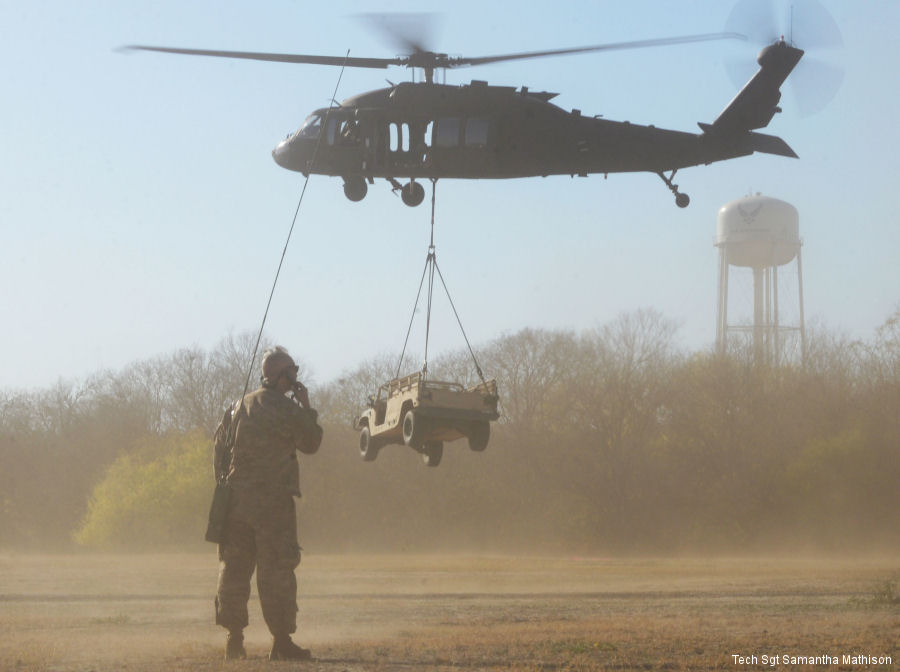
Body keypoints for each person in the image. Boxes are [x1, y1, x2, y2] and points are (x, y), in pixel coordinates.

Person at [213, 346, 323, 661]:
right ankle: (281, 641)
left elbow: (219, 450)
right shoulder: (287, 410)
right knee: (277, 570)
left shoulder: (236, 407)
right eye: (294, 371)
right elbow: (312, 442)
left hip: (236, 503)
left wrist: (226, 489)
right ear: (282, 375)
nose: (297, 377)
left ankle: (234, 640)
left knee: (234, 569)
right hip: (273, 504)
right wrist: (307, 407)